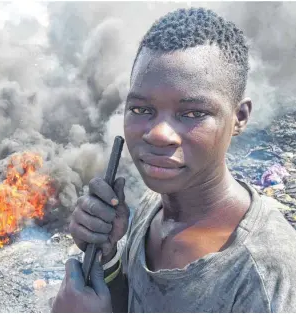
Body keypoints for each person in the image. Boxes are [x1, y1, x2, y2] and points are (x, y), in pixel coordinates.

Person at [52, 7, 296, 313]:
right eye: (141, 109)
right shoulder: (153, 207)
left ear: (239, 117)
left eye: (193, 113)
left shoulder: (264, 276)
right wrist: (107, 256)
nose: (158, 134)